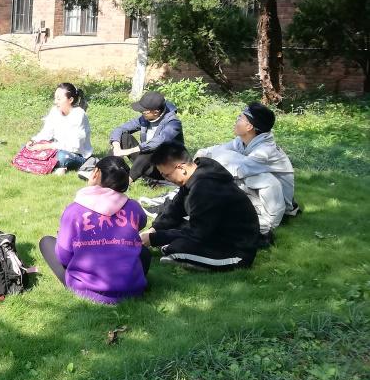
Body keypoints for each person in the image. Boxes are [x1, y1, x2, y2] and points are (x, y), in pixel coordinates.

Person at [38, 156, 150, 304]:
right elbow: (141, 223)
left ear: (96, 173)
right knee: (143, 251)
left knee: (46, 242)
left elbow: (64, 257)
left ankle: (81, 282)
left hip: (88, 291)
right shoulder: (133, 207)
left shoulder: (74, 210)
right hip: (133, 290)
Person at [141, 142, 260, 270]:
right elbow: (174, 209)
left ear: (181, 168)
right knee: (173, 232)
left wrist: (154, 239)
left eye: (166, 175)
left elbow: (196, 232)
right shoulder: (195, 176)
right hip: (214, 233)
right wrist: (153, 230)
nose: (166, 179)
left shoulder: (206, 188)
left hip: (235, 250)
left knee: (175, 250)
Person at [194, 102, 298, 237]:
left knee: (230, 173)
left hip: (275, 205)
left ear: (249, 127)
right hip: (258, 194)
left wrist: (202, 170)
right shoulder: (244, 141)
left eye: (240, 118)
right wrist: (201, 155)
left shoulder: (264, 151)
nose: (236, 121)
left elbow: (238, 170)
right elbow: (216, 150)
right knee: (225, 158)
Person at [107, 90, 183, 182]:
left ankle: (125, 183)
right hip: (146, 164)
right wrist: (117, 148)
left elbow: (159, 141)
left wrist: (129, 151)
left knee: (151, 148)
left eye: (143, 111)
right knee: (124, 138)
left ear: (156, 112)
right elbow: (120, 129)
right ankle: (107, 173)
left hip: (165, 169)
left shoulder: (173, 123)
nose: (141, 113)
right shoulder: (145, 118)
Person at [25, 82, 93, 172]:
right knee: (26, 148)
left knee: (61, 157)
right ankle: (54, 165)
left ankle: (54, 164)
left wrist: (46, 146)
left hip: (76, 154)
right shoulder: (55, 111)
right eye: (55, 98)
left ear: (70, 100)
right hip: (56, 148)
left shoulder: (79, 115)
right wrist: (33, 141)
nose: (55, 102)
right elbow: (46, 132)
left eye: (59, 99)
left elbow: (75, 146)